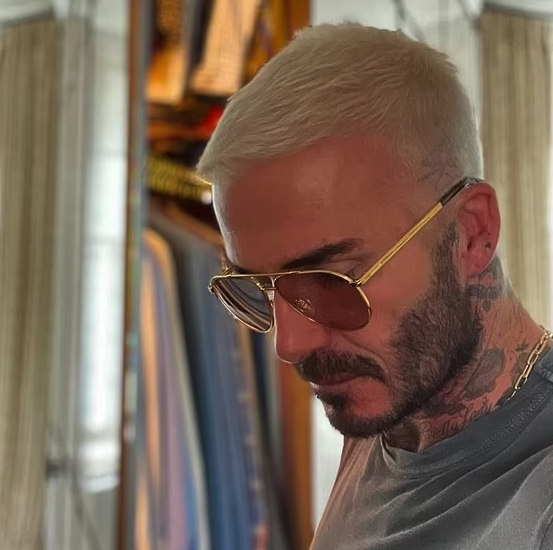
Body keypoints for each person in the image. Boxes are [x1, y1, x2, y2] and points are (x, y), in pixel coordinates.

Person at [197, 22, 553, 550]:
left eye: (330, 281)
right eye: (261, 290)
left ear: (471, 233)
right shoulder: (388, 404)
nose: (289, 344)